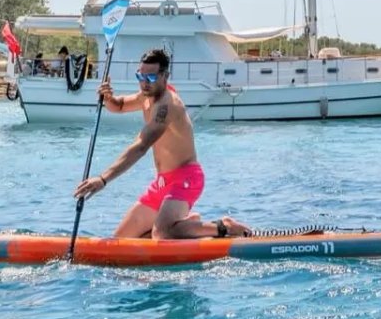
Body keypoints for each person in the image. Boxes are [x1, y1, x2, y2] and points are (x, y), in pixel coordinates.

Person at [71, 48, 253, 239]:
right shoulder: (146, 95)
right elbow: (121, 105)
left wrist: (103, 179)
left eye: (150, 78)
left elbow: (141, 145)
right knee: (120, 240)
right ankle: (187, 226)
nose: (144, 83)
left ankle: (224, 227)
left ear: (165, 76)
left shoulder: (167, 106)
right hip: (162, 183)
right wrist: (108, 98)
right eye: (140, 76)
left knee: (162, 233)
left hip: (186, 178)